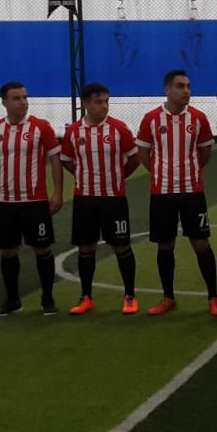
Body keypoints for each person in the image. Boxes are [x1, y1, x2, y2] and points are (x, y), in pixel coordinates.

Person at [137, 69, 217, 317]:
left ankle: (213, 297)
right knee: (165, 245)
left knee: (201, 243)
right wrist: (162, 173)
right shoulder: (151, 119)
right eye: (180, 86)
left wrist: (188, 172)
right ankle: (168, 298)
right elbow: (143, 154)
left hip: (192, 192)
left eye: (188, 86)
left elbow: (205, 153)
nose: (186, 91)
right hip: (162, 193)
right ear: (167, 89)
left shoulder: (199, 118)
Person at [0, 81, 64, 316]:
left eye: (25, 97)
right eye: (17, 98)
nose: (23, 102)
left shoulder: (41, 127)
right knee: (8, 251)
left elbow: (55, 159)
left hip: (34, 202)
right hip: (5, 202)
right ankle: (12, 300)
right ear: (4, 102)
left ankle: (47, 299)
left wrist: (58, 192)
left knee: (42, 248)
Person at [63, 82, 141, 316]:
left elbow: (134, 159)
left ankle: (130, 296)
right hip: (84, 199)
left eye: (106, 101)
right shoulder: (74, 132)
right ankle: (86, 297)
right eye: (98, 102)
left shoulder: (119, 129)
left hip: (113, 199)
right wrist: (82, 176)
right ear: (85, 103)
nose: (104, 106)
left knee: (121, 246)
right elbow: (66, 159)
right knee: (86, 248)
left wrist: (118, 177)